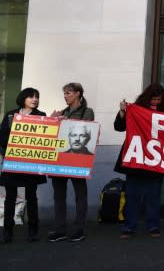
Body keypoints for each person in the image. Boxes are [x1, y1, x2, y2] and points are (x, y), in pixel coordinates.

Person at [114, 83, 164, 239]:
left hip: (155, 160)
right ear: (147, 97)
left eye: (158, 100)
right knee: (132, 196)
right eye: (153, 99)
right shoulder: (135, 109)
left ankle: (153, 226)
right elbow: (119, 127)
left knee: (153, 197)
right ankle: (129, 227)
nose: (155, 102)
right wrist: (122, 111)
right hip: (136, 158)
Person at [48, 82, 94, 243]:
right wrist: (52, 121)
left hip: (77, 160)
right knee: (59, 196)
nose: (65, 96)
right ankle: (60, 229)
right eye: (65, 93)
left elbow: (85, 129)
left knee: (80, 194)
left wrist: (63, 121)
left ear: (77, 94)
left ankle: (79, 229)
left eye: (68, 93)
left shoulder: (87, 112)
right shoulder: (62, 112)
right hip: (59, 159)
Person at [1, 88, 47, 243]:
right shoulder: (10, 115)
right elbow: (2, 136)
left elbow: (46, 138)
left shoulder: (41, 116)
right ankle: (7, 231)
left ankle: (33, 229)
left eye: (37, 97)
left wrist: (53, 122)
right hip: (12, 160)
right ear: (23, 98)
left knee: (31, 196)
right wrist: (6, 151)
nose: (34, 99)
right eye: (31, 96)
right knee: (10, 197)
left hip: (31, 162)